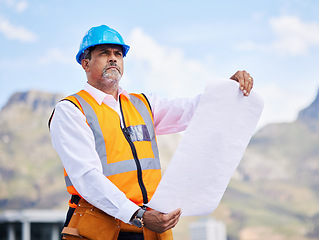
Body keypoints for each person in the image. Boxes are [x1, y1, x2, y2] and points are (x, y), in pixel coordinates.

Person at [49, 25, 254, 240]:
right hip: (102, 228)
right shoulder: (71, 110)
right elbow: (86, 177)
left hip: (149, 228)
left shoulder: (143, 104)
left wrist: (227, 90)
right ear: (85, 63)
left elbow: (190, 110)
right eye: (104, 53)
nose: (113, 59)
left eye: (118, 54)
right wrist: (138, 215)